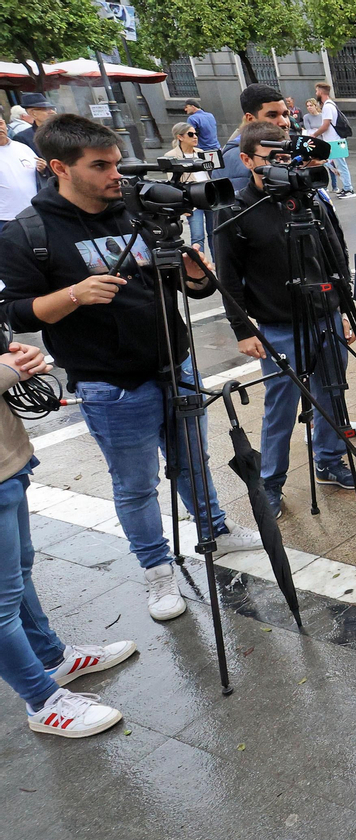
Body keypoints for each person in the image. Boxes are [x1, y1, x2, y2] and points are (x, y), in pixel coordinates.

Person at [0, 115, 260, 621]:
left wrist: (193, 270)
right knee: (136, 486)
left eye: (116, 163)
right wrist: (74, 295)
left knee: (193, 460)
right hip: (110, 386)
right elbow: (14, 313)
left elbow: (193, 289)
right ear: (60, 168)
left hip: (175, 363)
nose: (115, 175)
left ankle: (214, 530)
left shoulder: (133, 213)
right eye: (100, 166)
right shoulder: (28, 233)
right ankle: (156, 568)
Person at [215, 122, 356, 513]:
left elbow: (336, 254)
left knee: (333, 393)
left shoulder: (311, 200)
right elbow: (228, 279)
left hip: (326, 318)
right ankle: (271, 482)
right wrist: (242, 330)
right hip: (278, 327)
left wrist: (344, 310)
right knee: (280, 409)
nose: (282, 166)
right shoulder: (235, 212)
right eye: (271, 159)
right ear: (247, 160)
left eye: (286, 157)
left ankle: (329, 461)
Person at [0, 337, 140, 738]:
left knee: (18, 576)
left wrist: (14, 352)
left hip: (7, 460)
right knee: (2, 603)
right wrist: (14, 366)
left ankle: (50, 657)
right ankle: (42, 701)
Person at [219, 83, 292, 193]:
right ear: (250, 118)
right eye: (272, 115)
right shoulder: (236, 157)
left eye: (285, 114)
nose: (284, 122)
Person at [162, 121, 212, 253]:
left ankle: (217, 264)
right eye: (191, 134)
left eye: (196, 134)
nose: (195, 137)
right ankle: (199, 267)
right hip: (193, 200)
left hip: (209, 195)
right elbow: (172, 183)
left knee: (215, 233)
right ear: (180, 137)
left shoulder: (200, 152)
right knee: (198, 236)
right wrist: (181, 205)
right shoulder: (171, 156)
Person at [309, 83, 356, 199]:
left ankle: (349, 189)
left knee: (340, 164)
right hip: (333, 141)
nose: (316, 94)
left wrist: (314, 134)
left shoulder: (327, 106)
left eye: (316, 91)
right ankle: (346, 187)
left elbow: (325, 125)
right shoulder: (330, 105)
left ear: (320, 92)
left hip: (334, 141)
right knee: (332, 163)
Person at [0, 121, 39, 225]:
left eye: (0, 123)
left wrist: (43, 169)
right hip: (5, 218)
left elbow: (37, 174)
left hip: (35, 213)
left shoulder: (22, 148)